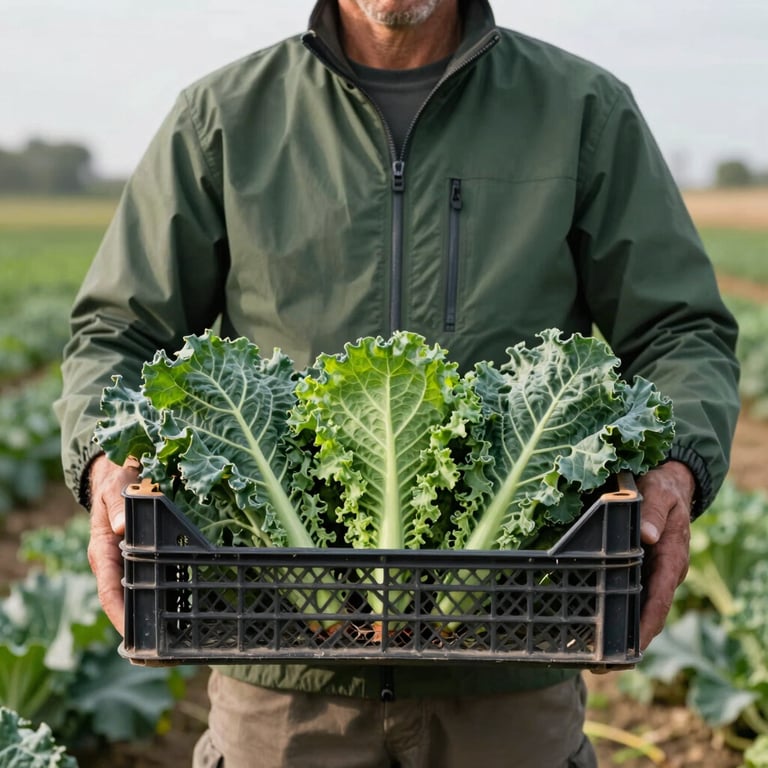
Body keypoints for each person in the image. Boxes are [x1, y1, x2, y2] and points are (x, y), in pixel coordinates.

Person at [55, 1, 740, 766]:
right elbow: (117, 333)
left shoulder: (581, 109)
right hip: (282, 680)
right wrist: (104, 459)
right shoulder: (222, 116)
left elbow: (683, 330)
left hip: (510, 674)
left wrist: (676, 464)